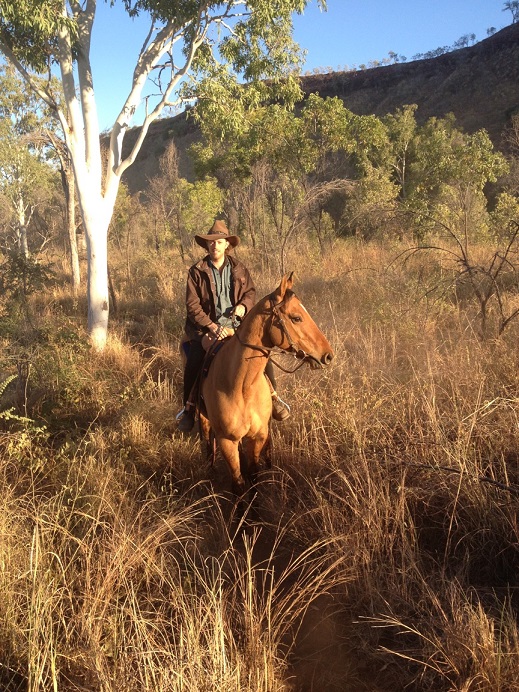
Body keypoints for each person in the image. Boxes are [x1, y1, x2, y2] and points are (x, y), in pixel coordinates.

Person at [176, 219, 291, 432]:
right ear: (207, 245)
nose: (215, 246)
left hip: (237, 326)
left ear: (227, 244)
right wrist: (211, 326)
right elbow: (192, 306)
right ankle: (189, 408)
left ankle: (274, 398)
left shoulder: (239, 269)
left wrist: (243, 307)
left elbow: (250, 293)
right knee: (195, 360)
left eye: (219, 242)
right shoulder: (196, 272)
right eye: (211, 242)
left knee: (261, 355)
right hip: (206, 328)